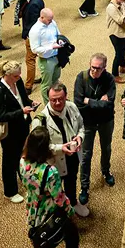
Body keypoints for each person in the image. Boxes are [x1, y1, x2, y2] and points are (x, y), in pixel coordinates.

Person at [20, 127, 96, 248]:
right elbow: (59, 199)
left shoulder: (22, 162)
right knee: (73, 240)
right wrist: (71, 212)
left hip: (34, 214)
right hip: (53, 214)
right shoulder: (50, 171)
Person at [34, 81, 86, 216]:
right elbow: (38, 147)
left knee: (71, 180)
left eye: (60, 99)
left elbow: (81, 126)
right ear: (48, 99)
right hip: (53, 163)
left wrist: (80, 137)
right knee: (53, 188)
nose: (57, 103)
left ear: (66, 96)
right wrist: (60, 148)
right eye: (53, 100)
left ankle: (73, 202)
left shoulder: (72, 107)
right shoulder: (40, 120)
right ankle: (57, 212)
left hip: (72, 156)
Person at [74, 53, 117, 209]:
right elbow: (78, 102)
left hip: (106, 121)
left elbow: (109, 104)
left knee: (106, 148)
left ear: (104, 68)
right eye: (93, 67)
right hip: (88, 123)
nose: (94, 71)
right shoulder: (82, 77)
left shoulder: (110, 79)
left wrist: (89, 101)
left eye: (98, 68)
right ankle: (84, 186)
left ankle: (106, 172)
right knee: (86, 154)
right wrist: (99, 102)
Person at [0, 60, 35, 203]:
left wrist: (30, 103)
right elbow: (1, 116)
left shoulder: (18, 81)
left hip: (23, 125)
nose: (19, 77)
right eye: (16, 76)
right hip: (9, 131)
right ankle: (10, 191)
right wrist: (20, 111)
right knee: (9, 159)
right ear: (7, 75)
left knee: (23, 153)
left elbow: (23, 98)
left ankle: (23, 176)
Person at [29, 8, 66, 105]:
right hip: (46, 60)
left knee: (56, 80)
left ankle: (56, 100)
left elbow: (58, 34)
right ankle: (48, 105)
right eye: (49, 20)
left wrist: (60, 40)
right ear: (42, 17)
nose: (51, 21)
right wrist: (51, 47)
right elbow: (34, 49)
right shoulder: (35, 30)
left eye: (52, 19)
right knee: (46, 84)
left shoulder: (52, 22)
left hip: (57, 57)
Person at [21, 0, 46, 86]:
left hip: (32, 36)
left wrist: (26, 35)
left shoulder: (33, 4)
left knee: (30, 60)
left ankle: (28, 86)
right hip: (38, 34)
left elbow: (32, 23)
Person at [106, 0, 125, 84]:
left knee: (123, 49)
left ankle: (123, 67)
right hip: (115, 33)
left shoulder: (120, 3)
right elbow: (120, 20)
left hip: (122, 31)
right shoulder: (111, 7)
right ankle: (114, 75)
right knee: (118, 53)